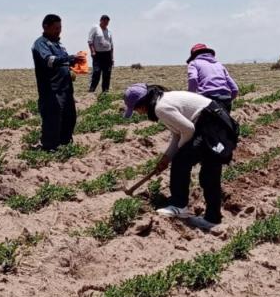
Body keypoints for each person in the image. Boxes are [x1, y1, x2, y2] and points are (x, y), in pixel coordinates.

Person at [123, 83, 239, 230]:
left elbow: (188, 130)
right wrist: (166, 157)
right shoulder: (163, 101)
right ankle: (212, 218)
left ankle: (179, 205)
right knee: (209, 174)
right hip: (214, 123)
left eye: (136, 109)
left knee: (182, 162)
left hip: (211, 126)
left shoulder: (161, 108)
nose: (138, 113)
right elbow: (178, 134)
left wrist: (177, 153)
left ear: (142, 104)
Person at [32, 14, 84, 151]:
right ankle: (49, 148)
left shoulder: (59, 44)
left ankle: (65, 144)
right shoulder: (40, 43)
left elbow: (63, 61)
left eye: (60, 27)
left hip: (65, 88)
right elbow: (50, 61)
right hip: (52, 90)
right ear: (45, 27)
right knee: (53, 119)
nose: (59, 30)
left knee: (69, 117)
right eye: (55, 28)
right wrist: (70, 58)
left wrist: (73, 65)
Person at [186, 43, 239, 113]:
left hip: (208, 100)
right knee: (224, 123)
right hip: (226, 99)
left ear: (194, 56)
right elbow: (235, 89)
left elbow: (193, 79)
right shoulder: (219, 65)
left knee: (202, 123)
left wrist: (190, 96)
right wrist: (228, 100)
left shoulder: (194, 63)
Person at [88, 14, 114, 93]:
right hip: (98, 54)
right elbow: (90, 41)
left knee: (107, 73)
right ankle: (92, 90)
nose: (106, 23)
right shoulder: (95, 28)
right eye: (104, 21)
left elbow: (111, 45)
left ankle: (105, 91)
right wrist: (92, 51)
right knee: (97, 72)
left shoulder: (109, 31)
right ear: (101, 20)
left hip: (107, 54)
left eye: (107, 22)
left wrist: (112, 57)